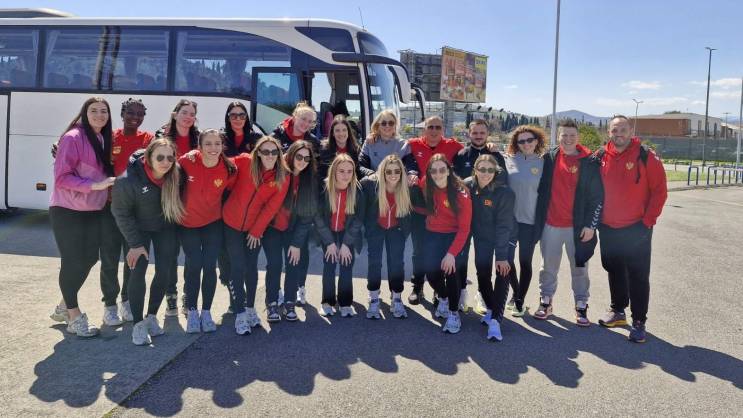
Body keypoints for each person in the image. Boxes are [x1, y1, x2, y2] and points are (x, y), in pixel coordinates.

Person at [49, 97, 116, 338]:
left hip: (93, 210)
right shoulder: (72, 137)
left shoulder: (103, 138)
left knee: (89, 259)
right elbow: (61, 178)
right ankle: (74, 316)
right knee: (72, 261)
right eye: (94, 110)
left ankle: (63, 306)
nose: (99, 115)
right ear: (84, 114)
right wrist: (96, 186)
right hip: (67, 210)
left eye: (104, 111)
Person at [597, 115, 667, 343]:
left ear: (631, 131)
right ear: (609, 132)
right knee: (614, 269)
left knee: (638, 275)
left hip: (637, 228)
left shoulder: (646, 156)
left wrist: (647, 221)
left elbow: (660, 191)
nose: (619, 134)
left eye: (623, 130)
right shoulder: (601, 156)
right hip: (608, 227)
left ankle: (639, 321)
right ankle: (618, 311)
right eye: (614, 130)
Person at [111, 138, 184, 345]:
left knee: (165, 270)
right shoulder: (127, 180)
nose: (165, 162)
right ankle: (137, 324)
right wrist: (134, 244)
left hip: (164, 226)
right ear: (148, 158)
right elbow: (120, 213)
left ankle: (151, 317)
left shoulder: (176, 175)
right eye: (160, 157)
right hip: (138, 229)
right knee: (138, 269)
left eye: (170, 157)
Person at [532, 119, 604, 325]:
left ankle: (581, 305)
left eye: (572, 135)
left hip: (578, 228)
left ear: (578, 137)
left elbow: (597, 196)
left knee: (580, 268)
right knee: (548, 267)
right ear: (558, 136)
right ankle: (546, 301)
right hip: (551, 224)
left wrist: (591, 225)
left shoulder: (589, 161)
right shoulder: (549, 157)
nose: (568, 139)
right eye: (564, 135)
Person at [222, 136, 289, 335]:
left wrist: (257, 230)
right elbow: (220, 165)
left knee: (251, 268)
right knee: (237, 266)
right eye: (265, 151)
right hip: (231, 223)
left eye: (274, 152)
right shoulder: (244, 162)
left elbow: (271, 207)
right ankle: (240, 313)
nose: (270, 156)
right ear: (258, 152)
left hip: (253, 229)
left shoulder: (282, 176)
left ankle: (250, 308)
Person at [101, 98, 154, 325]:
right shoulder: (109, 137)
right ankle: (109, 305)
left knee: (132, 258)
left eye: (140, 114)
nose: (135, 117)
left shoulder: (148, 140)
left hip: (136, 211)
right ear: (122, 114)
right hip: (110, 207)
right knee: (109, 259)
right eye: (130, 112)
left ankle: (127, 301)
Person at [178, 129, 236, 333]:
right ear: (199, 147)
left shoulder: (228, 169)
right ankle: (192, 311)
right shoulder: (186, 162)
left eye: (217, 144)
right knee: (194, 265)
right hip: (188, 224)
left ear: (222, 146)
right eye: (208, 144)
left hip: (213, 223)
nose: (213, 148)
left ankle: (206, 311)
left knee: (210, 266)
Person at [407, 116, 463, 305]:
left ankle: (438, 290)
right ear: (424, 129)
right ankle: (417, 286)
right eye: (430, 127)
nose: (433, 130)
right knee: (418, 251)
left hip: (441, 211)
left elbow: (473, 151)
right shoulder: (412, 144)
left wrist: (489, 146)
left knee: (438, 253)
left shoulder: (453, 146)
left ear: (443, 129)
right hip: (419, 208)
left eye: (437, 127)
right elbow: (398, 156)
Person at [453, 119, 508, 312]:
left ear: (487, 134)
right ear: (469, 133)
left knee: (483, 262)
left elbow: (503, 182)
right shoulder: (461, 155)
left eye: (482, 133)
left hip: (486, 219)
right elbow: (454, 182)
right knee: (461, 258)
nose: (478, 136)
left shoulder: (496, 155)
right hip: (464, 217)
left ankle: (482, 295)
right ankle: (461, 292)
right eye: (475, 132)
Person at [413, 154, 472, 333]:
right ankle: (444, 298)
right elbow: (429, 207)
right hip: (433, 234)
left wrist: (451, 254)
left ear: (448, 171)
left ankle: (454, 314)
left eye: (442, 170)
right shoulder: (426, 183)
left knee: (451, 273)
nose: (437, 174)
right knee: (431, 273)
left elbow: (464, 229)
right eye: (434, 171)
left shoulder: (461, 194)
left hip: (454, 235)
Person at [465, 154, 516, 341]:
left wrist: (502, 256)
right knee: (483, 273)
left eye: (490, 170)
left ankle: (495, 321)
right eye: (482, 169)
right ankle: (491, 308)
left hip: (506, 235)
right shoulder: (467, 186)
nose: (485, 173)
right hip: (483, 237)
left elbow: (504, 225)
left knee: (502, 271)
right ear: (475, 170)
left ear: (495, 172)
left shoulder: (505, 192)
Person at [156, 99, 200, 315]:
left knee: (191, 253)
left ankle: (187, 295)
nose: (188, 117)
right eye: (184, 112)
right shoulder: (161, 137)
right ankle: (170, 294)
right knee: (170, 252)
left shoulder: (198, 139)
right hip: (168, 201)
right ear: (175, 114)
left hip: (192, 203)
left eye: (192, 114)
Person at [217, 102, 261, 306]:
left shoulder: (255, 139)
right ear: (228, 117)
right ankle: (233, 290)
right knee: (226, 251)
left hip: (248, 201)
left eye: (241, 115)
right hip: (223, 198)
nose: (237, 119)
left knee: (244, 255)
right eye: (233, 115)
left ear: (246, 117)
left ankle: (241, 297)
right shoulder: (220, 138)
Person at [360, 155, 413, 319]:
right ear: (382, 172)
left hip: (396, 229)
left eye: (397, 171)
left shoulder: (406, 187)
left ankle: (396, 297)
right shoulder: (370, 185)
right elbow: (360, 205)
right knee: (374, 262)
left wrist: (405, 231)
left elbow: (414, 211)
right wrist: (366, 228)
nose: (393, 175)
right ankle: (374, 297)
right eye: (388, 171)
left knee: (396, 263)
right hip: (376, 228)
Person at [270, 140, 318, 316]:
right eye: (299, 156)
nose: (302, 161)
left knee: (293, 263)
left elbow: (307, 217)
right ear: (291, 155)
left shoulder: (309, 180)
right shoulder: (278, 173)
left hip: (293, 228)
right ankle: (273, 300)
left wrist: (297, 243)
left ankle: (290, 302)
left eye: (307, 158)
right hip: (272, 227)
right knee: (274, 264)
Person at [314, 154, 364, 317]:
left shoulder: (357, 190)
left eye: (349, 171)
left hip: (347, 233)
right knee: (329, 264)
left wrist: (346, 244)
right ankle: (327, 302)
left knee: (346, 264)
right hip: (327, 232)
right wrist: (329, 242)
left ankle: (345, 302)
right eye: (341, 171)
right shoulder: (324, 188)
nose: (346, 175)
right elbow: (318, 217)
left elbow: (358, 219)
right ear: (334, 171)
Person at [504, 125, 546, 317]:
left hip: (530, 222)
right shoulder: (508, 160)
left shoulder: (544, 162)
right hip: (510, 221)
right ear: (516, 143)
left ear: (536, 141)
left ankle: (520, 300)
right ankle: (516, 292)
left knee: (525, 262)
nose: (526, 144)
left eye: (530, 140)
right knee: (508, 261)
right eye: (521, 141)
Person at [358, 109, 419, 179]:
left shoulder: (404, 145)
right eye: (383, 123)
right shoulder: (369, 142)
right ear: (378, 125)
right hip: (375, 182)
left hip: (396, 183)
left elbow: (411, 166)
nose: (387, 126)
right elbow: (360, 165)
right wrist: (371, 174)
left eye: (391, 123)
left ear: (395, 125)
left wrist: (411, 174)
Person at [317, 115, 362, 181]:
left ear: (348, 132)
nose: (341, 133)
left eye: (344, 130)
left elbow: (359, 171)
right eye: (337, 130)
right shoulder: (324, 150)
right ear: (333, 133)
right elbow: (321, 174)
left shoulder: (356, 149)